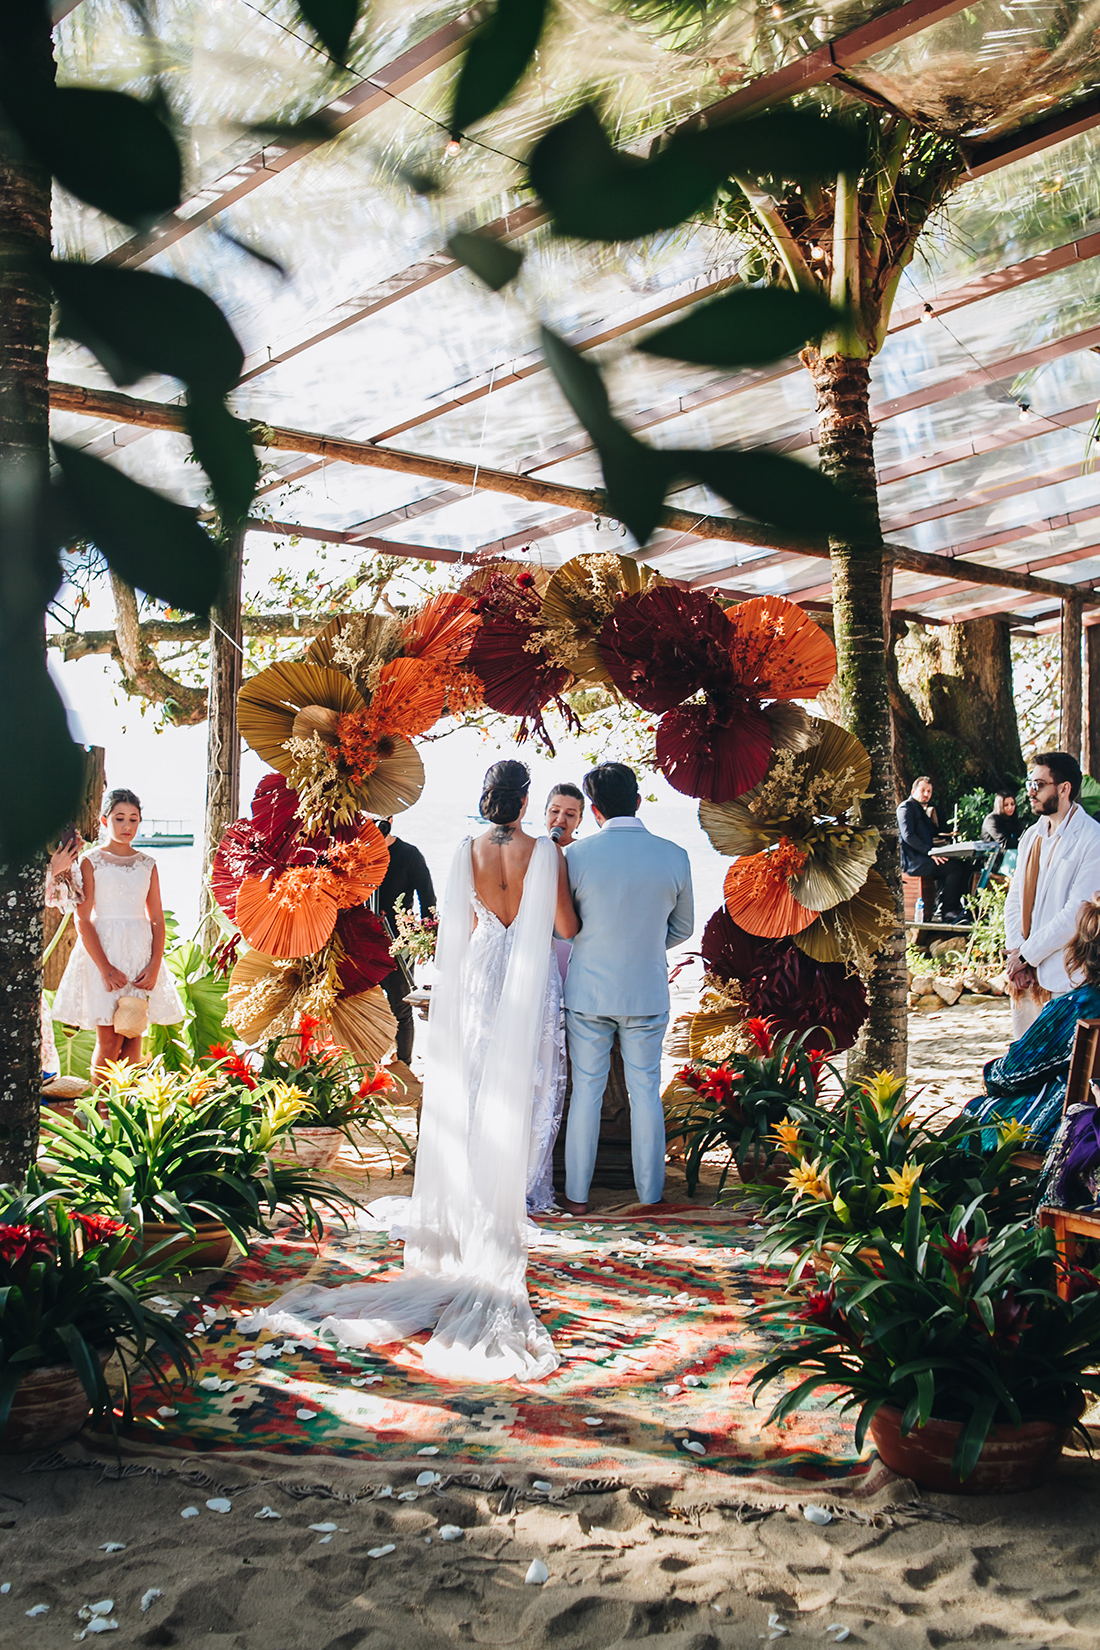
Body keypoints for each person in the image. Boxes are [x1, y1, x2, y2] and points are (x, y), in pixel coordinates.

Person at [251, 760, 579, 1383]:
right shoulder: (547, 854)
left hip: (481, 973)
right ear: (528, 799)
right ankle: (507, 1194)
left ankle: (473, 1197)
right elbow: (565, 927)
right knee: (523, 1086)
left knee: (478, 1083)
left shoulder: (466, 851)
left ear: (488, 799)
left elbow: (454, 930)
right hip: (526, 979)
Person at [561, 762, 693, 1215]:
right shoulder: (675, 855)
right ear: (638, 802)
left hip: (588, 995)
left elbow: (564, 931)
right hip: (646, 992)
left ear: (593, 810)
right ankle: (650, 1197)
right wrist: (647, 942)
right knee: (645, 1093)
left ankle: (577, 1197)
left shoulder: (577, 857)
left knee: (586, 1094)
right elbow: (684, 928)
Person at [52, 789, 184, 1081]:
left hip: (139, 952)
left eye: (133, 819)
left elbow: (157, 919)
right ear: (104, 820)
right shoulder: (91, 861)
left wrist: (154, 964)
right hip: (104, 952)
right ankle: (100, 1114)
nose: (127, 826)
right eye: (119, 818)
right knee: (110, 1040)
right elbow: (83, 919)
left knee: (133, 1034)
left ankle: (124, 1112)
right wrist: (106, 968)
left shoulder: (147, 863)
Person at [963, 894, 1100, 1152]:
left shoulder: (1077, 1006)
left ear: (1081, 950)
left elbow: (1009, 1075)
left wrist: (990, 1073)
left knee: (973, 1117)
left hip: (1074, 1127)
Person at [1005, 751, 1100, 1037]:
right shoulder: (1032, 836)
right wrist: (1016, 954)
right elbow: (1015, 898)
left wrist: (1027, 955)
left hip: (1067, 978)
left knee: (1066, 1074)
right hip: (1025, 979)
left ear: (1064, 788)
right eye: (1029, 784)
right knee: (1023, 1069)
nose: (1030, 793)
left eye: (1038, 785)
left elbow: (1077, 913)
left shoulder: (1091, 838)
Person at [373, 818, 436, 1070]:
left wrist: (424, 942)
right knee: (366, 1008)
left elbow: (428, 901)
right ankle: (368, 1070)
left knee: (401, 1007)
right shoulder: (357, 855)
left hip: (399, 945)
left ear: (390, 820)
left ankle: (403, 1069)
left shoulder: (409, 855)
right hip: (362, 943)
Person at [897, 776, 971, 923]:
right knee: (953, 868)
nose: (926, 794)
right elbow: (908, 836)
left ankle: (957, 906)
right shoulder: (906, 808)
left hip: (925, 856)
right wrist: (930, 852)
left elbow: (931, 835)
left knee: (964, 866)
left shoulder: (921, 810)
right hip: (914, 860)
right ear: (913, 791)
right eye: (923, 790)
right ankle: (947, 911)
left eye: (929, 791)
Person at [545, 782, 584, 848]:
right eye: (555, 811)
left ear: (579, 821)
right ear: (545, 813)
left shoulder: (585, 852)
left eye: (570, 814)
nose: (560, 820)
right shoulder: (532, 848)